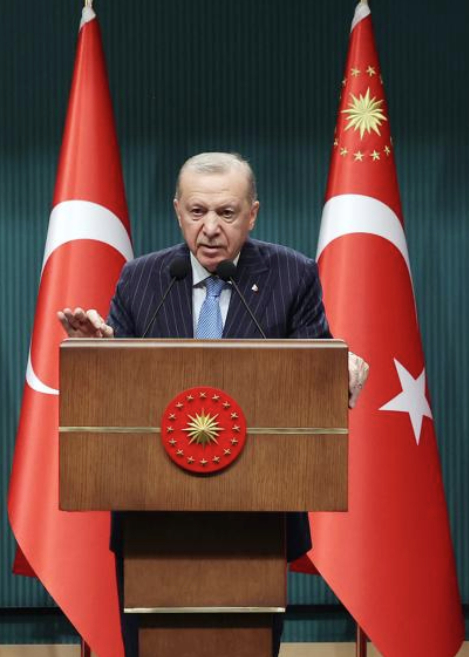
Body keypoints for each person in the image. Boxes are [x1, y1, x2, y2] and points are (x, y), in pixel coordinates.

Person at [58, 152, 368, 657]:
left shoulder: (293, 276)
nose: (210, 229)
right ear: (178, 210)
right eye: (197, 211)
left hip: (255, 519)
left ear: (252, 214)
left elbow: (316, 378)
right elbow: (117, 406)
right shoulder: (142, 279)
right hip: (152, 521)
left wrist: (341, 373)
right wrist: (100, 354)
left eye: (226, 213)